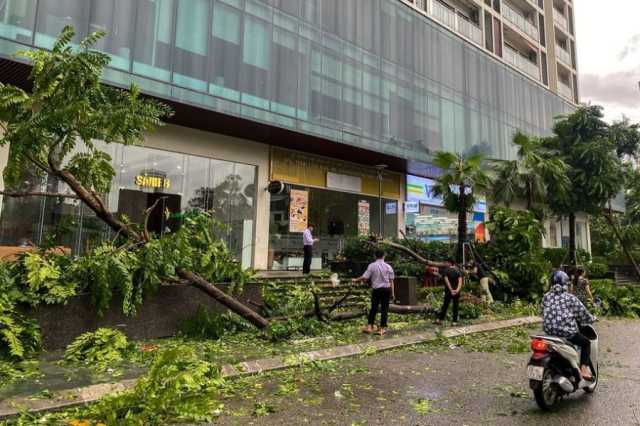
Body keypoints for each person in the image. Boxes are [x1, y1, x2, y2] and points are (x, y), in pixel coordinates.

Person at [542, 272, 596, 380]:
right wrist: (592, 318)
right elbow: (582, 313)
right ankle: (584, 370)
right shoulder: (570, 297)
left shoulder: (546, 296)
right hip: (566, 333)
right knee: (586, 343)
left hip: (549, 333)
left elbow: (542, 310)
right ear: (565, 283)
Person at [353, 250, 395, 336]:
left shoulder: (372, 266)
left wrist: (356, 280)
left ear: (375, 256)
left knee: (373, 308)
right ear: (384, 256)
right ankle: (382, 329)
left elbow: (365, 277)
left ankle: (369, 327)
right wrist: (393, 294)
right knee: (384, 309)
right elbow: (391, 281)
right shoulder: (388, 267)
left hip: (376, 290)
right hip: (386, 290)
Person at [434, 258, 463, 326]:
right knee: (455, 306)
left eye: (446, 262)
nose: (445, 264)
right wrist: (457, 290)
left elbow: (447, 281)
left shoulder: (446, 270)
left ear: (450, 263)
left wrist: (451, 290)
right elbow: (460, 281)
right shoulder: (458, 270)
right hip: (456, 291)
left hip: (449, 291)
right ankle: (454, 322)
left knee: (445, 305)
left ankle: (440, 320)